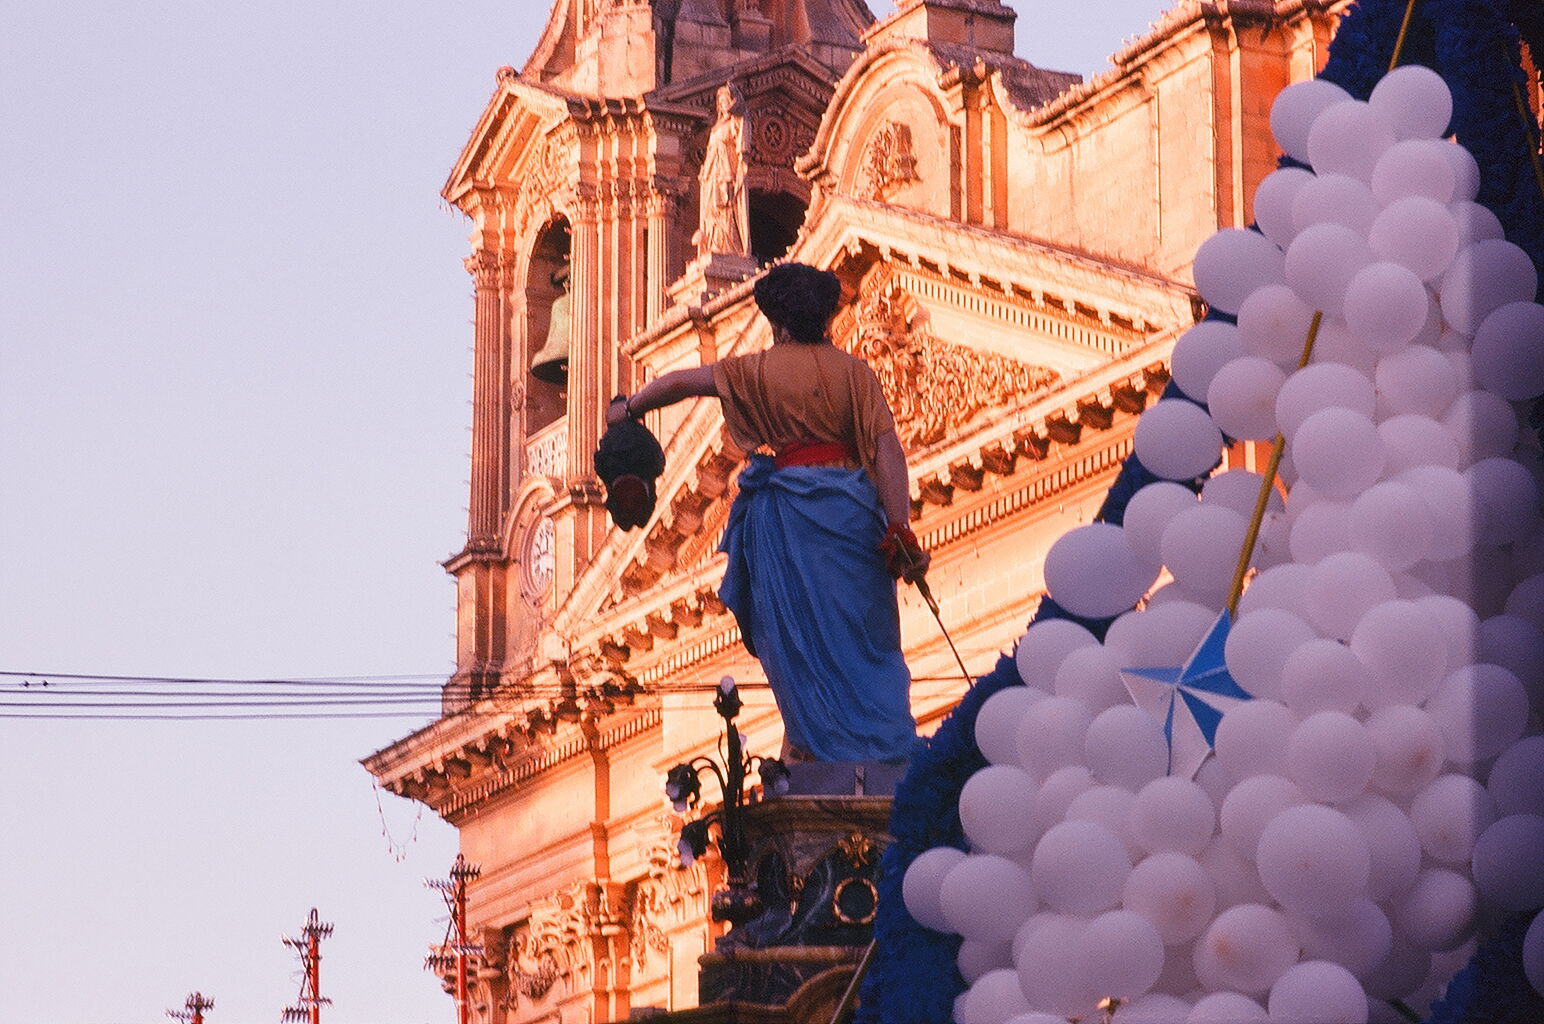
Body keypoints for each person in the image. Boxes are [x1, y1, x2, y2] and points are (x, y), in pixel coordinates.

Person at [606, 262, 926, 763]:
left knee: (800, 646)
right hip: (852, 516)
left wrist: (630, 407)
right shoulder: (855, 374)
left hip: (789, 523)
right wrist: (899, 526)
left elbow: (684, 383)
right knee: (866, 640)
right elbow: (888, 451)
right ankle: (881, 745)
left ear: (776, 321)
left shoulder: (756, 371)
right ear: (825, 319)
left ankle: (810, 740)